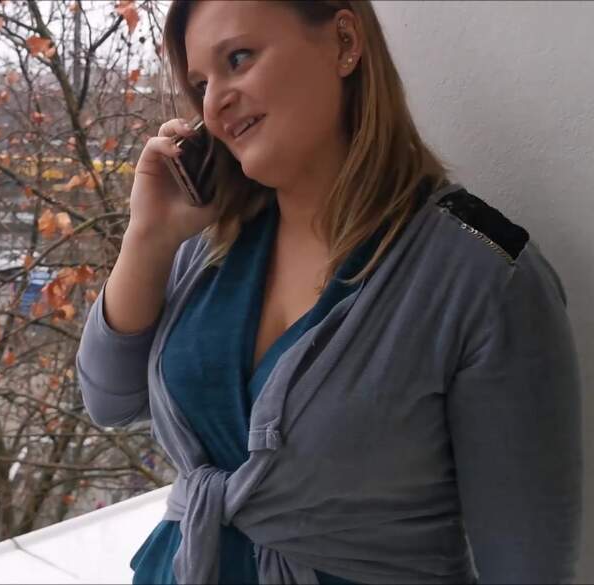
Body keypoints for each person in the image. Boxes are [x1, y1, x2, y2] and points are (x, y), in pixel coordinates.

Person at [75, 1, 582, 583]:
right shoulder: (207, 246)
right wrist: (148, 238)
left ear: (344, 41)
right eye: (201, 85)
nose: (213, 105)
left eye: (238, 59)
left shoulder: (482, 278)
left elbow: (527, 565)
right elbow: (109, 401)